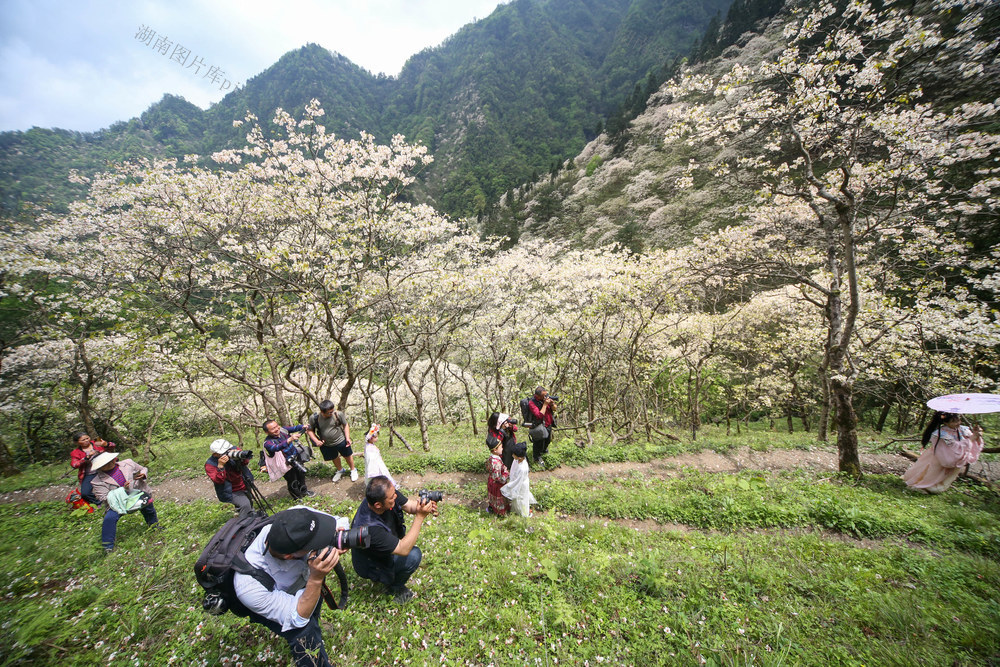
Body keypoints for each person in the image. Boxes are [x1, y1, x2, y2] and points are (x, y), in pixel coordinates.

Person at [233, 506, 347, 667]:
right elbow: (298, 618)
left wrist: (338, 539)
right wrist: (315, 579)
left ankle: (316, 622)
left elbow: (339, 521)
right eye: (314, 543)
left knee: (312, 604)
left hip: (299, 581)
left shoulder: (295, 518)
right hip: (271, 595)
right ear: (289, 556)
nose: (320, 544)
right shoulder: (249, 586)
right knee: (303, 632)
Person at [350, 475, 438, 604]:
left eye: (394, 493)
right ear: (378, 505)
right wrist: (420, 517)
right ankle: (394, 587)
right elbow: (403, 549)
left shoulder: (387, 494)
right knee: (413, 555)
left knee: (407, 550)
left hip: (382, 550)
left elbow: (409, 506)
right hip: (371, 565)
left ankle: (391, 575)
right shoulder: (369, 528)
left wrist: (422, 507)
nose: (395, 497)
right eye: (392, 498)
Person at [89, 452, 159, 552]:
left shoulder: (128, 463)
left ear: (114, 459)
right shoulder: (97, 481)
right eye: (104, 464)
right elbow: (104, 497)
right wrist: (122, 490)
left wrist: (143, 474)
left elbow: (143, 468)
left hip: (138, 494)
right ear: (99, 467)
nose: (108, 464)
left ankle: (154, 527)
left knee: (149, 510)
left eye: (109, 461)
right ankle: (108, 546)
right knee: (110, 518)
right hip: (119, 503)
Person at [903, 412, 985, 493]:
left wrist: (977, 435)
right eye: (954, 421)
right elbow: (954, 448)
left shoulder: (963, 430)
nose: (958, 423)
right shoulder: (940, 434)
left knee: (948, 475)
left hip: (955, 457)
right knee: (931, 473)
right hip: (941, 457)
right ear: (945, 422)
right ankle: (925, 486)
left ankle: (939, 487)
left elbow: (970, 441)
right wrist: (972, 439)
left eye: (958, 420)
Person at [306, 400, 357, 483]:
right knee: (334, 457)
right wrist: (316, 440)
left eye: (332, 411)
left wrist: (347, 438)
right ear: (322, 412)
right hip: (326, 444)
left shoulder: (338, 414)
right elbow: (310, 430)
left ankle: (353, 470)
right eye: (329, 412)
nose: (332, 413)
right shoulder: (314, 418)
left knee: (347, 455)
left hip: (340, 440)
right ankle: (340, 470)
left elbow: (345, 424)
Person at [263, 420, 315, 499]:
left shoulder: (283, 430)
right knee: (292, 480)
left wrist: (302, 426)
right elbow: (276, 448)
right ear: (267, 432)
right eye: (273, 428)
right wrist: (289, 439)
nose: (277, 429)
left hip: (295, 457)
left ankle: (304, 491)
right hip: (285, 463)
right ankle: (297, 497)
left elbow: (294, 428)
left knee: (301, 475)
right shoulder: (268, 442)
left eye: (277, 426)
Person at [205, 439, 255, 517]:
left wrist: (239, 457)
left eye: (229, 450)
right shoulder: (210, 464)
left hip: (244, 482)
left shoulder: (234, 450)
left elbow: (245, 462)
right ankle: (242, 525)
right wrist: (221, 466)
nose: (228, 452)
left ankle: (251, 517)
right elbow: (218, 481)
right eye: (224, 452)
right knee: (245, 505)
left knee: (249, 501)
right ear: (215, 454)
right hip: (231, 490)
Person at [69, 432, 116, 504]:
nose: (86, 440)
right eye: (83, 440)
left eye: (87, 438)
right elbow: (74, 464)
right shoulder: (75, 452)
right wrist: (86, 457)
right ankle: (99, 502)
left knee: (116, 482)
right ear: (77, 442)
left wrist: (106, 444)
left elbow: (113, 445)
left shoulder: (97, 440)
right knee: (85, 493)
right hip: (91, 473)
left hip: (106, 468)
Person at [501, 442, 537, 517]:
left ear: (519, 457)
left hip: (521, 485)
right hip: (517, 481)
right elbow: (513, 470)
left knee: (522, 499)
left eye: (513, 454)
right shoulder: (516, 460)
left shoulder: (523, 468)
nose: (512, 455)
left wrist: (508, 486)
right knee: (517, 500)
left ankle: (524, 513)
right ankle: (516, 511)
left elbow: (518, 481)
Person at [526, 387, 556, 466]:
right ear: (538, 396)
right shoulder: (532, 403)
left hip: (548, 424)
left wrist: (552, 404)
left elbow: (555, 409)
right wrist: (545, 404)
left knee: (547, 440)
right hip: (539, 426)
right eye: (543, 396)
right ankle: (536, 457)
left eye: (546, 395)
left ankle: (543, 452)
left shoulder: (545, 398)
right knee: (538, 442)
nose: (545, 397)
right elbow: (539, 415)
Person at [486, 435, 510, 516]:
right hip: (497, 485)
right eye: (501, 447)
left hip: (491, 481)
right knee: (499, 498)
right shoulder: (496, 462)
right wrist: (506, 473)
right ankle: (501, 513)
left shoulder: (491, 458)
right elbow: (498, 477)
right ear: (495, 450)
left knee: (493, 497)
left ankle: (493, 508)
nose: (502, 449)